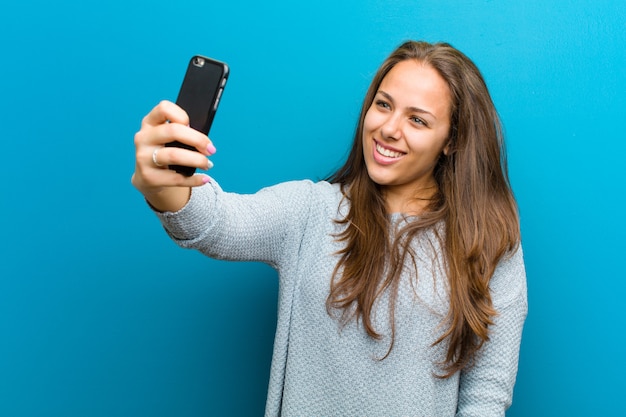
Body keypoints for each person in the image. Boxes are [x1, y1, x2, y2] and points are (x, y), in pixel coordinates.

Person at [132, 40, 527, 417]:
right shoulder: (311, 211)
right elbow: (216, 222)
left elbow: (486, 395)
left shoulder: (487, 243)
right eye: (383, 104)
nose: (389, 128)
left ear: (451, 140)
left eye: (418, 120)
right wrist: (163, 184)